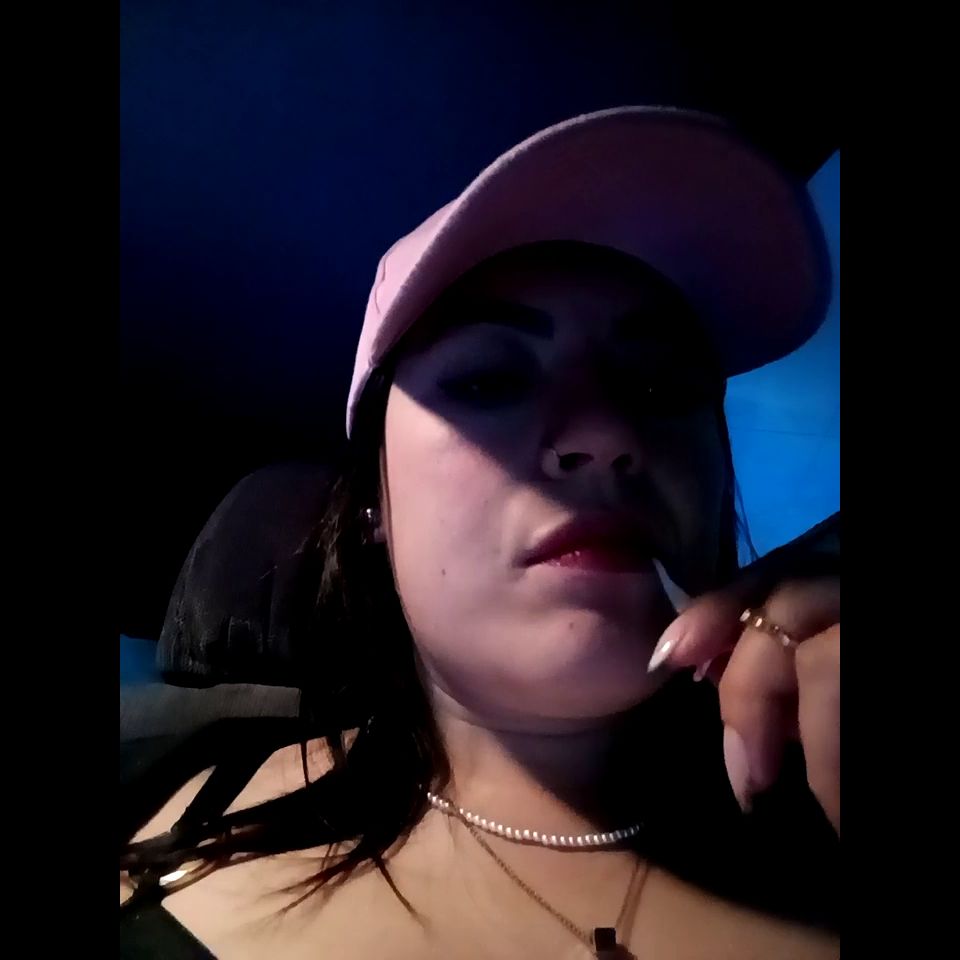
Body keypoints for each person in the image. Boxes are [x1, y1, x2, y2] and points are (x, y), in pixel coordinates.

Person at [121, 106, 840, 959]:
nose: (606, 433)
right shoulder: (154, 775)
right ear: (375, 502)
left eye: (659, 385)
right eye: (490, 379)